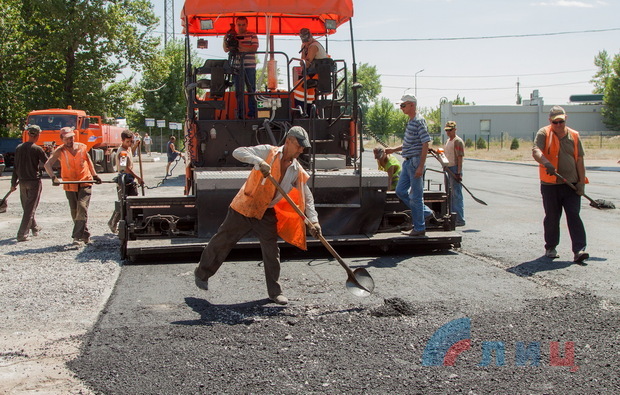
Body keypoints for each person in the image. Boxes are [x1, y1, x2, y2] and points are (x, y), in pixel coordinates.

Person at [194, 126, 322, 305]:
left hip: (266, 211)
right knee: (223, 240)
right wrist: (258, 162)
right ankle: (202, 273)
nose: (302, 149)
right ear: (289, 141)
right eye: (300, 145)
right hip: (245, 206)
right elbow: (238, 152)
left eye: (303, 147)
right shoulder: (268, 152)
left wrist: (313, 221)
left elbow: (306, 197)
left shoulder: (296, 170)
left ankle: (275, 292)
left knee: (272, 251)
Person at [532, 105, 589, 264]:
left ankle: (579, 250)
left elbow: (579, 160)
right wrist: (545, 162)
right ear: (550, 121)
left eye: (561, 121)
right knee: (552, 217)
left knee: (574, 215)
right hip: (550, 184)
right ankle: (550, 247)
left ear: (565, 119)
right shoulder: (544, 133)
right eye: (555, 122)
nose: (558, 125)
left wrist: (581, 183)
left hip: (570, 184)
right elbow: (536, 150)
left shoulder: (575, 136)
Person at [385, 95, 434, 237]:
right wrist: (393, 150)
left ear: (412, 105)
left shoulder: (419, 121)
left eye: (403, 105)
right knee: (400, 191)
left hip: (414, 162)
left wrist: (420, 166)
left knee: (416, 196)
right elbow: (409, 144)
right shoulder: (411, 121)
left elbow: (426, 143)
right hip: (407, 162)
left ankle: (419, 228)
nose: (401, 108)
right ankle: (424, 213)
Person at [44, 127, 101, 245]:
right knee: (75, 211)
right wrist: (53, 177)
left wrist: (95, 176)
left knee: (82, 206)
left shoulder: (82, 147)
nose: (71, 140)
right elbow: (47, 165)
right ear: (62, 139)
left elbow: (89, 161)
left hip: (85, 181)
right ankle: (85, 235)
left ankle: (77, 236)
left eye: (72, 137)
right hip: (69, 184)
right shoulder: (60, 151)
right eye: (68, 138)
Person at [11, 125, 48, 242]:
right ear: (38, 135)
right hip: (34, 182)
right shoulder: (37, 149)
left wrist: (13, 183)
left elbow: (15, 167)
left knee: (27, 207)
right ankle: (22, 234)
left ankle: (34, 227)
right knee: (30, 209)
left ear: (28, 134)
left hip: (22, 182)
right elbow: (48, 163)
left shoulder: (18, 148)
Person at [108, 130, 144, 233]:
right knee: (123, 203)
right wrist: (138, 177)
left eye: (131, 141)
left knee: (133, 201)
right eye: (128, 141)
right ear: (122, 140)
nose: (130, 143)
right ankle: (113, 222)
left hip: (129, 178)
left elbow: (131, 153)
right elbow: (125, 167)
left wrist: (136, 146)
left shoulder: (127, 149)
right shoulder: (122, 152)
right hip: (125, 178)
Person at [223, 16, 258, 119]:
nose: (241, 27)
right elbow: (226, 49)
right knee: (239, 91)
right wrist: (226, 39)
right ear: (236, 24)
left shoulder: (252, 35)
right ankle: (240, 114)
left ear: (247, 24)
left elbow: (254, 48)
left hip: (249, 66)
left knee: (251, 90)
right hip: (237, 67)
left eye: (243, 24)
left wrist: (239, 46)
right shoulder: (233, 35)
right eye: (239, 24)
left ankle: (252, 114)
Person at [293, 28, 329, 111]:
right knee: (307, 87)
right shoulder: (308, 46)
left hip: (318, 75)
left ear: (311, 37)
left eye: (307, 41)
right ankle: (309, 110)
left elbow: (306, 64)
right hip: (314, 75)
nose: (306, 43)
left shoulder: (313, 46)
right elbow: (303, 63)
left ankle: (301, 110)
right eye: (304, 41)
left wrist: (304, 53)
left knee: (298, 86)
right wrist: (303, 49)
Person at [443, 121, 466, 227]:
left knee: (456, 194)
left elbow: (460, 157)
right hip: (448, 168)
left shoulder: (458, 141)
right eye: (447, 130)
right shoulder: (448, 141)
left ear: (455, 129)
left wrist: (458, 172)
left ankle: (460, 219)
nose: (448, 132)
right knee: (450, 194)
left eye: (450, 130)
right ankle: (453, 217)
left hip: (454, 168)